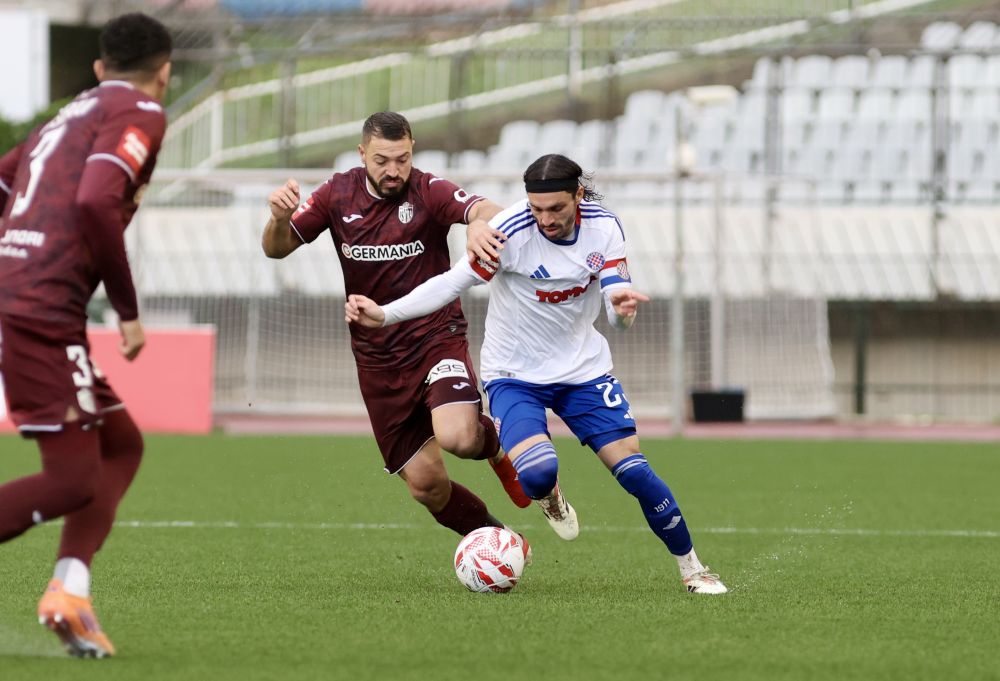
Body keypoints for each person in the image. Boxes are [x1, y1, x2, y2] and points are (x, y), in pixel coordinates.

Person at [345, 153, 728, 595]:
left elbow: (616, 305)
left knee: (635, 473)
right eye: (536, 208)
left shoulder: (604, 228)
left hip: (583, 372)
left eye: (556, 208)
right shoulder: (508, 232)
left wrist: (623, 313)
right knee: (538, 474)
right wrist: (385, 314)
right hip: (515, 375)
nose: (545, 219)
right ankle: (550, 496)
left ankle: (694, 569)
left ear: (578, 196)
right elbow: (451, 283)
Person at [262, 112, 532, 557]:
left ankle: (498, 450)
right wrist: (278, 218)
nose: (394, 170)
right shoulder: (336, 194)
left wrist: (480, 224)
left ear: (412, 151)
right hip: (378, 360)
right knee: (427, 486)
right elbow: (276, 248)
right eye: (382, 160)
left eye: (402, 159)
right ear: (362, 154)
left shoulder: (427, 189)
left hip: (435, 338)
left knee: (459, 438)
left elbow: (486, 209)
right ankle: (503, 545)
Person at [0, 13, 173, 657]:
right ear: (165, 72)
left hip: (32, 298)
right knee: (73, 478)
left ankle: (69, 591)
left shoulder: (69, 114)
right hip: (41, 305)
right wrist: (127, 310)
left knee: (121, 446)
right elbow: (97, 199)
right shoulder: (143, 111)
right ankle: (68, 591)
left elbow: (2, 180)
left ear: (101, 68)